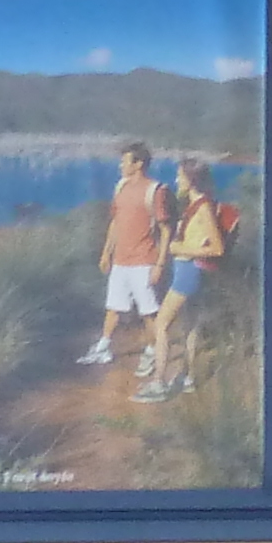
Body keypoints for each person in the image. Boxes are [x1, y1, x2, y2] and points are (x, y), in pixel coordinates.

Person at [140, 159, 228, 402]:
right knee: (190, 325)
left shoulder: (202, 208)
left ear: (192, 180)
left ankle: (159, 381)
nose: (177, 180)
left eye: (180, 176)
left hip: (188, 271)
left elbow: (217, 248)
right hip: (190, 271)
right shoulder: (196, 205)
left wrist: (180, 248)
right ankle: (187, 377)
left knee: (161, 325)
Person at [78, 143, 164, 370]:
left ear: (138, 164)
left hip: (144, 260)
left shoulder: (155, 190)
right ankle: (103, 348)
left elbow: (166, 229)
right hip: (121, 260)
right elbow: (115, 222)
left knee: (149, 311)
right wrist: (107, 252)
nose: (121, 165)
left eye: (125, 161)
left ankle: (154, 350)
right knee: (113, 307)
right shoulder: (121, 187)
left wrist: (159, 263)